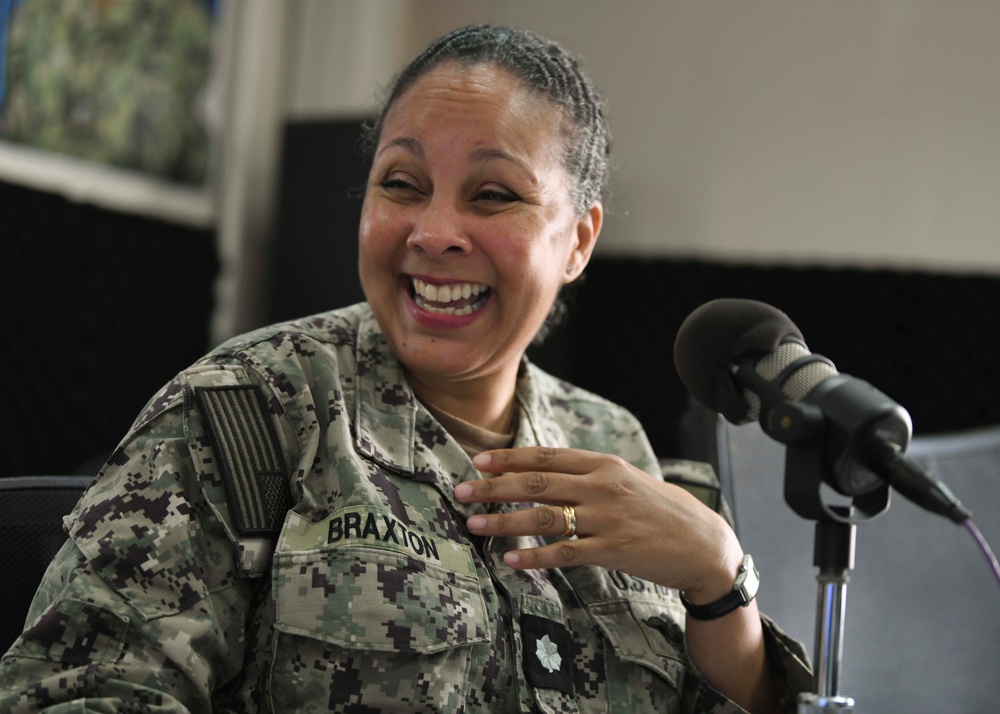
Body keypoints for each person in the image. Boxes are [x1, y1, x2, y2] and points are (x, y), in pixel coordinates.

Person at [0, 24, 812, 713]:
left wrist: (718, 575)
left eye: (492, 195)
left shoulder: (611, 441)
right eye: (402, 184)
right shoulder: (245, 412)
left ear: (578, 240)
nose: (433, 230)